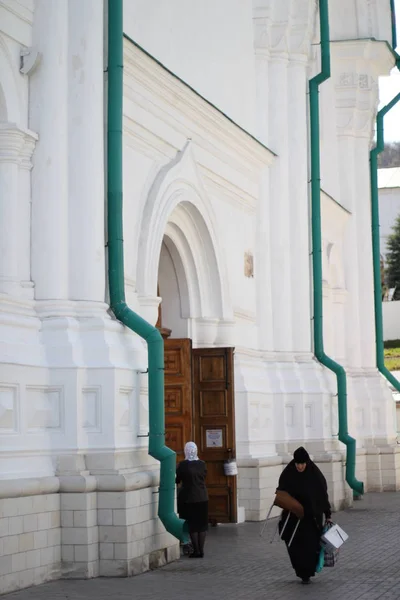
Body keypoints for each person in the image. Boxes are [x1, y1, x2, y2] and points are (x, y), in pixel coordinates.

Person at [276, 446, 332, 584]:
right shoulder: (288, 474)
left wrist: (328, 514)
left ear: (307, 463)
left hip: (310, 519)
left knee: (309, 546)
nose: (300, 467)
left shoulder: (315, 475)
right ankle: (300, 570)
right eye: (297, 464)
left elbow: (322, 495)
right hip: (293, 517)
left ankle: (307, 572)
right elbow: (281, 490)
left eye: (302, 464)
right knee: (294, 545)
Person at [176, 441, 208, 558]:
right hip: (202, 497)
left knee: (193, 526)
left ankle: (196, 551)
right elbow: (204, 476)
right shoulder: (202, 464)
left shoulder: (183, 465)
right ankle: (202, 551)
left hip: (189, 498)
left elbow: (177, 479)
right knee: (202, 525)